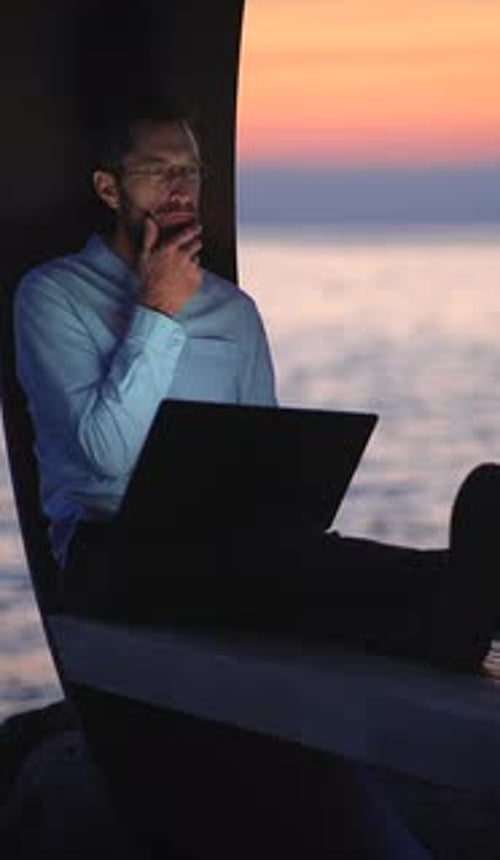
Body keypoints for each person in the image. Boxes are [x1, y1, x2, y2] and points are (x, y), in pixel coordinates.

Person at [12, 99, 500, 858]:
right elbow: (104, 459)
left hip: (227, 547)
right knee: (275, 562)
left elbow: (260, 460)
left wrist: (284, 503)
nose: (181, 187)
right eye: (160, 171)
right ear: (109, 189)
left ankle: (457, 597)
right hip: (108, 558)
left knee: (290, 549)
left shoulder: (235, 313)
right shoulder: (52, 297)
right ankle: (456, 597)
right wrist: (159, 315)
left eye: (193, 172)